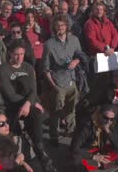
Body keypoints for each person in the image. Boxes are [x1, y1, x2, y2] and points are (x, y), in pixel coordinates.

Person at [0, 40, 56, 172]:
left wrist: (30, 103)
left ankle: (42, 155)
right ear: (10, 54)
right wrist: (30, 103)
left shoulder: (28, 67)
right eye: (16, 54)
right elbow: (10, 95)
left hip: (28, 104)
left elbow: (33, 91)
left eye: (22, 54)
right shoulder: (3, 69)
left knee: (35, 116)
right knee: (32, 116)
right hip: (12, 105)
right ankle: (42, 157)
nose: (19, 57)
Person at [42, 14, 82, 147]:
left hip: (72, 80)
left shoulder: (75, 40)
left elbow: (80, 56)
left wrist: (76, 61)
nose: (61, 27)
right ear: (54, 27)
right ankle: (54, 136)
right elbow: (46, 69)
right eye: (58, 25)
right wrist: (54, 86)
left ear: (67, 26)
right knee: (55, 111)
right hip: (58, 83)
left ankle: (71, 132)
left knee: (72, 109)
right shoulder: (49, 44)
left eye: (63, 25)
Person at [70, 105, 118, 171]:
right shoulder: (85, 127)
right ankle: (100, 164)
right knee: (77, 161)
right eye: (105, 118)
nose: (108, 122)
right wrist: (94, 157)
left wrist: (108, 131)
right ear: (99, 115)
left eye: (111, 119)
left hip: (99, 149)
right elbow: (74, 148)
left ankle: (98, 164)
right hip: (85, 151)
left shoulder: (110, 124)